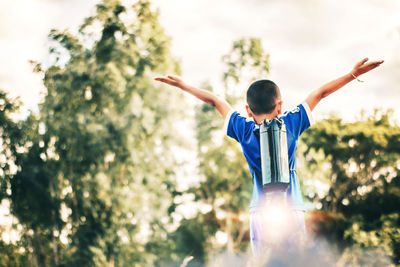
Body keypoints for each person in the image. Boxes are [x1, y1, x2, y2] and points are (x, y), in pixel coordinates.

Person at [154, 58, 384, 253]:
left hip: (260, 212)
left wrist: (183, 85)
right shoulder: (291, 122)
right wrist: (353, 74)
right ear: (280, 106)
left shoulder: (242, 128)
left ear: (248, 110)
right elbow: (320, 93)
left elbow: (215, 101)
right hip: (291, 209)